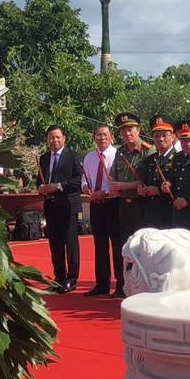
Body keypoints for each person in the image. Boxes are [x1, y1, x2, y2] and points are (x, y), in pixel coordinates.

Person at [38, 125, 85, 293]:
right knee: (55, 245)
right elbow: (40, 180)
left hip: (68, 206)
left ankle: (71, 280)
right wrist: (41, 188)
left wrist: (58, 186)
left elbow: (79, 179)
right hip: (50, 207)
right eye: (51, 137)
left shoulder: (73, 156)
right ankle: (58, 278)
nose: (54, 140)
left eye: (57, 137)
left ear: (64, 138)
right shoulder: (44, 158)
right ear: (47, 140)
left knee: (70, 244)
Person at [83, 123, 123, 298]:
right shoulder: (89, 157)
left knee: (117, 245)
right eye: (98, 135)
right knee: (99, 246)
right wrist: (86, 189)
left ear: (112, 137)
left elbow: (119, 182)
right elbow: (85, 180)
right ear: (94, 138)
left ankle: (121, 284)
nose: (102, 138)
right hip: (96, 205)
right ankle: (101, 284)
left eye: (105, 134)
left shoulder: (118, 155)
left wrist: (105, 192)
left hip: (113, 203)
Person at [108, 112, 151, 251]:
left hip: (141, 204)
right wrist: (114, 185)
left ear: (138, 130)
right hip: (124, 205)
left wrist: (123, 186)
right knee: (125, 245)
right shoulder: (120, 152)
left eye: (130, 129)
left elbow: (147, 180)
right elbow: (113, 175)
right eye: (123, 130)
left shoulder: (148, 151)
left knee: (143, 245)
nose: (127, 133)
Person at [139, 114, 178, 229]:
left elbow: (181, 185)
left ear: (173, 136)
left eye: (165, 135)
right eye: (157, 136)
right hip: (151, 212)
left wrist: (159, 191)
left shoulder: (178, 158)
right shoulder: (150, 159)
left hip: (169, 212)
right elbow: (144, 180)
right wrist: (141, 189)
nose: (161, 139)